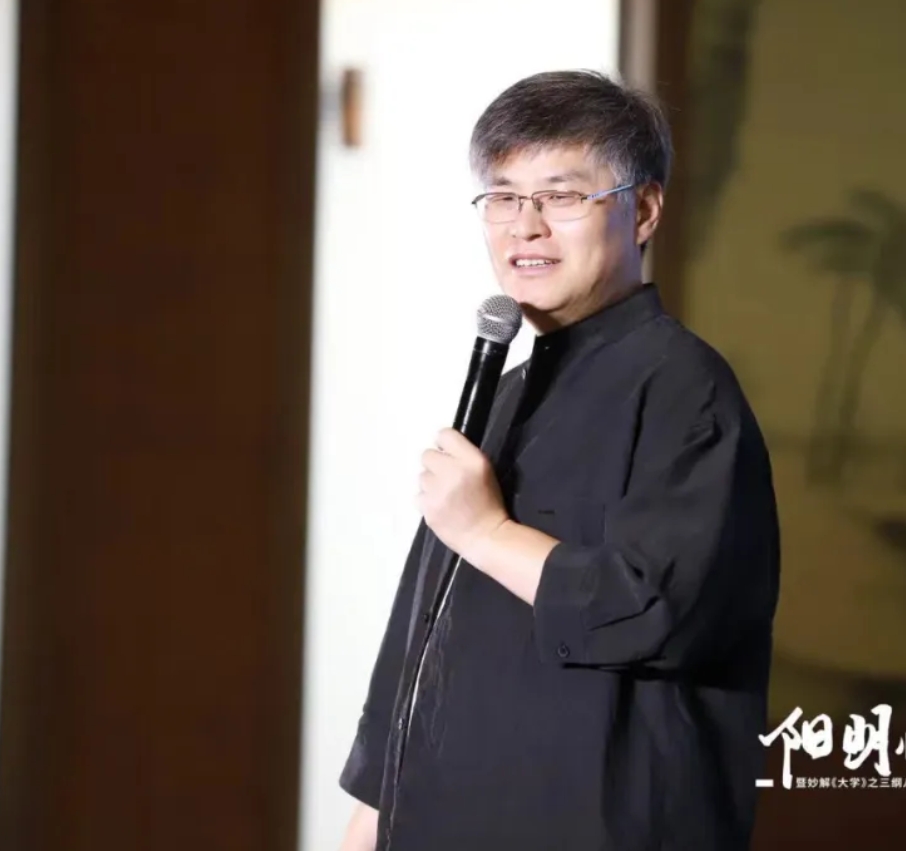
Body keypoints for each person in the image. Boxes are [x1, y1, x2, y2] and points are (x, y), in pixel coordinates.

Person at [337, 70, 780, 851]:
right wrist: (370, 819)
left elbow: (656, 610)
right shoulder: (502, 392)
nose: (525, 226)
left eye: (561, 196)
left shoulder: (684, 386)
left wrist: (486, 532)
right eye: (503, 197)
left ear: (642, 210)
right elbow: (423, 632)